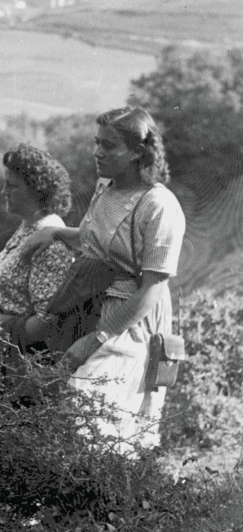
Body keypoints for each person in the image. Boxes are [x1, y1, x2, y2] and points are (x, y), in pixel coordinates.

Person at [23, 106, 186, 449]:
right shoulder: (106, 188)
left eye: (110, 145)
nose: (98, 152)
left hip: (130, 323)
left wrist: (96, 339)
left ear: (139, 151)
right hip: (90, 306)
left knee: (91, 420)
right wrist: (54, 232)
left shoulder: (159, 205)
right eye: (97, 142)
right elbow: (91, 240)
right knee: (60, 419)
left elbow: (152, 288)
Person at [0, 144, 75, 359]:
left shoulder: (49, 241)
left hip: (26, 361)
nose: (3, 192)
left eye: (12, 186)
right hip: (5, 352)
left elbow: (50, 321)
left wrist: (5, 330)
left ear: (37, 189)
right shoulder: (28, 227)